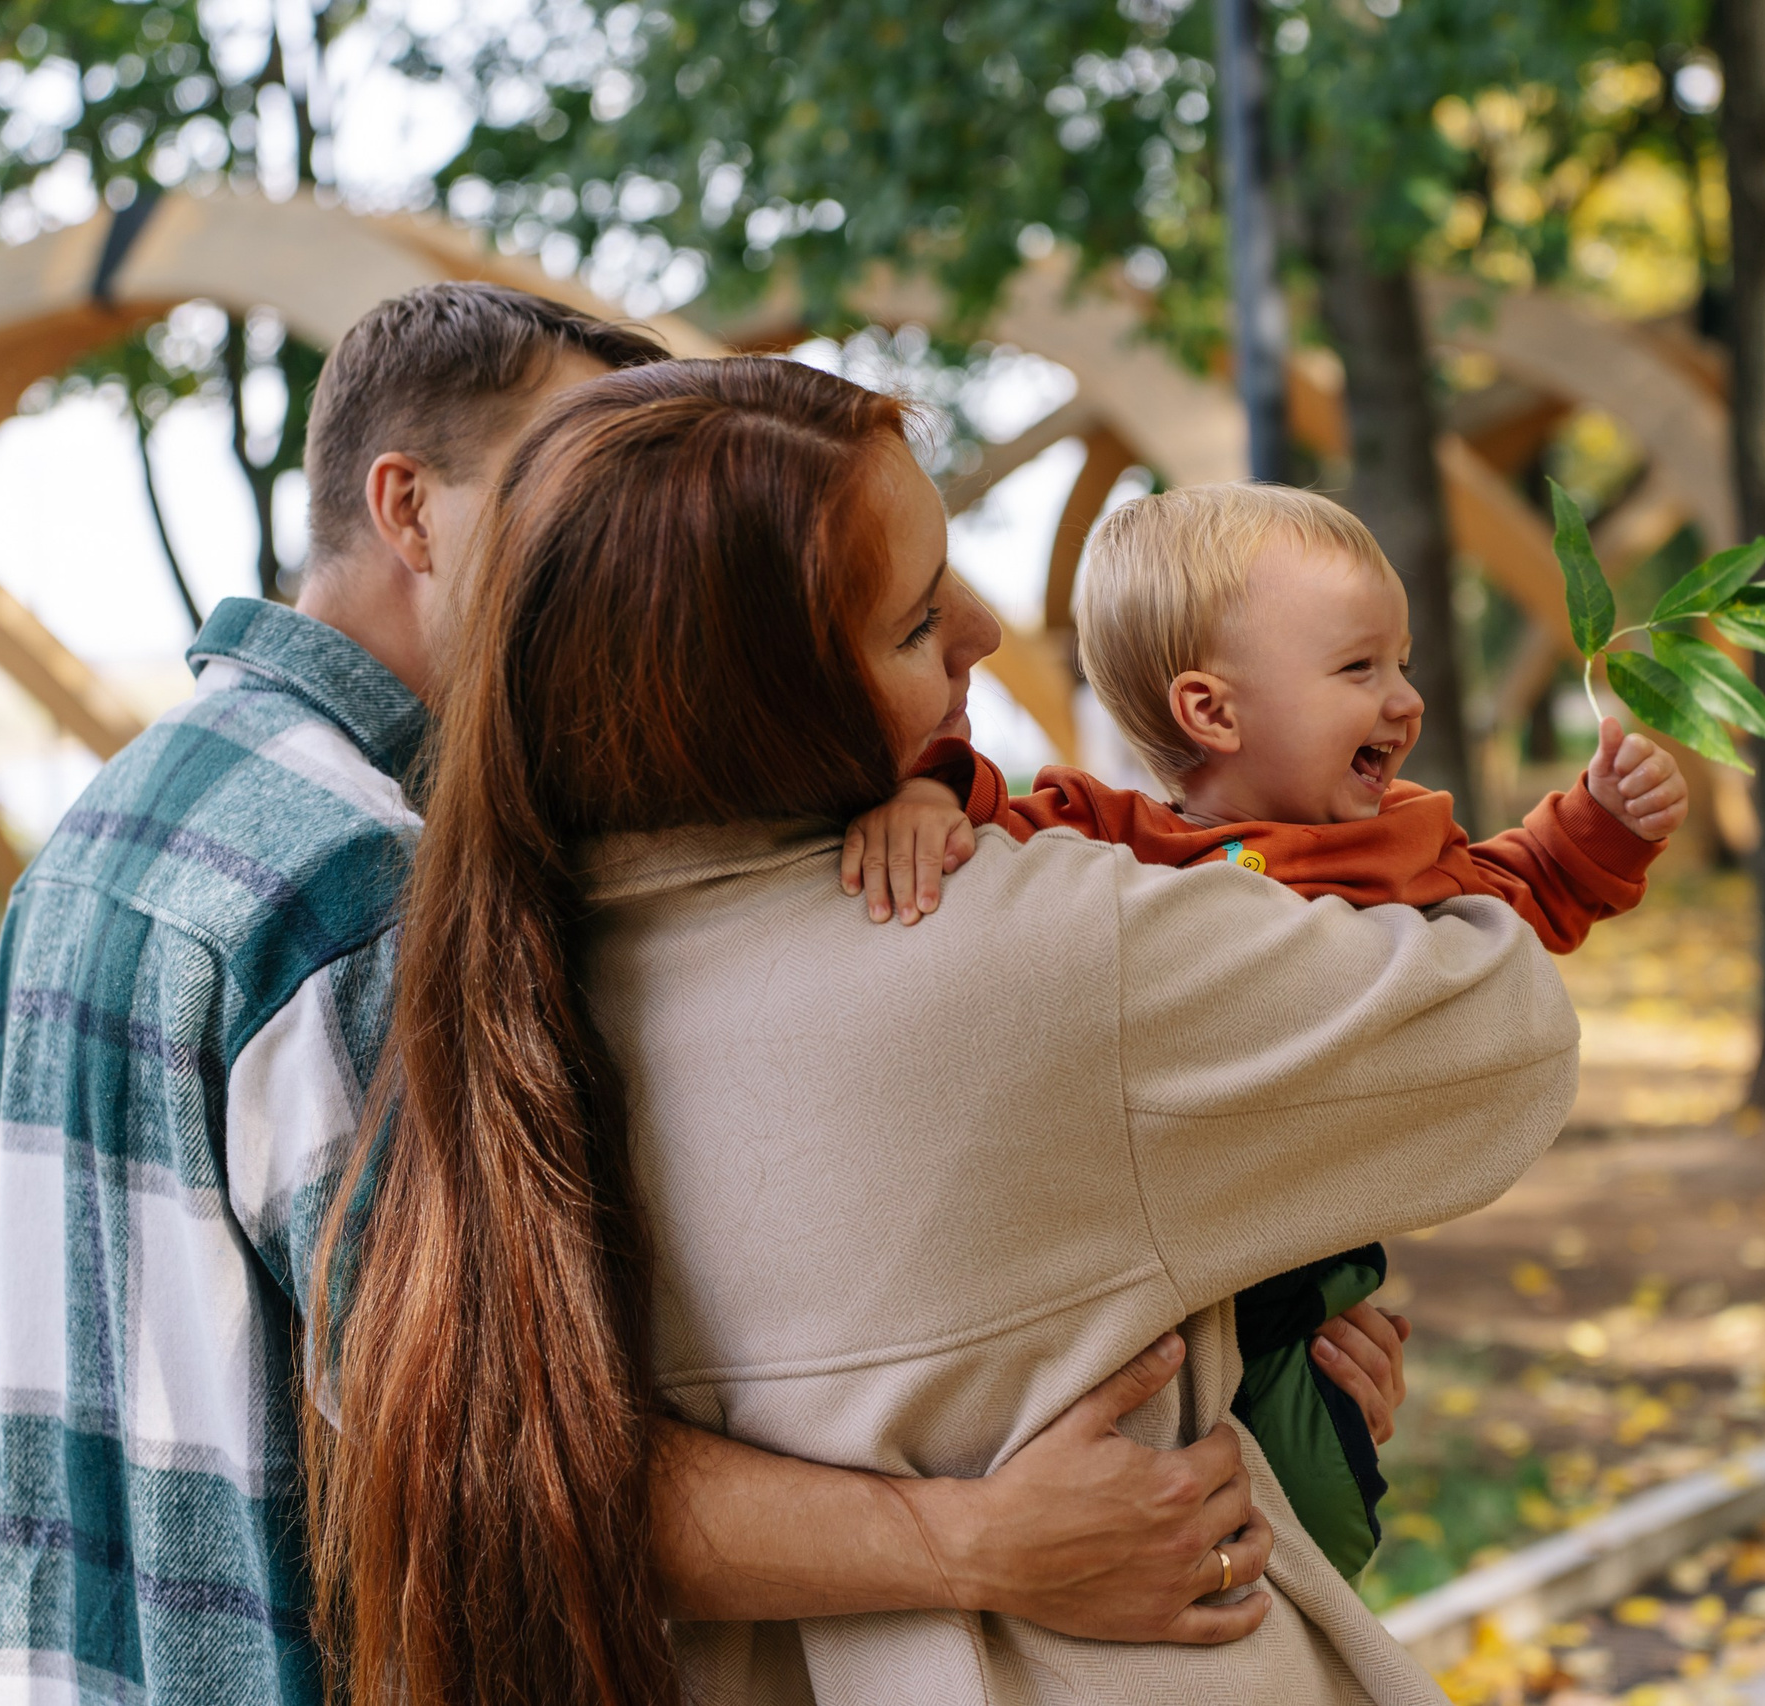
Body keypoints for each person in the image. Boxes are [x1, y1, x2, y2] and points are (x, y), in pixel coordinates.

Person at [0, 283, 1344, 1705]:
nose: (613, 530)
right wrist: (975, 1542)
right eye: (560, 481)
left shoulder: (116, 823)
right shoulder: (371, 887)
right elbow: (496, 1456)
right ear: (409, 508)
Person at [311, 355, 1589, 1703]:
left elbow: (521, 1463)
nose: (984, 627)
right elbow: (1501, 1030)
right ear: (763, 696)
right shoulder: (1041, 949)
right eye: (920, 619)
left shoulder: (474, 987)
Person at [840, 479, 1688, 1575]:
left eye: (1401, 662)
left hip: (1307, 1264)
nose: (1405, 700)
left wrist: (1598, 827)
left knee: (1322, 1508)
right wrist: (926, 799)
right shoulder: (1118, 842)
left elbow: (1521, 900)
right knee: (1177, 1467)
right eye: (1359, 668)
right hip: (1154, 1254)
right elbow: (998, 815)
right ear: (1212, 712)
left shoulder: (1405, 840)